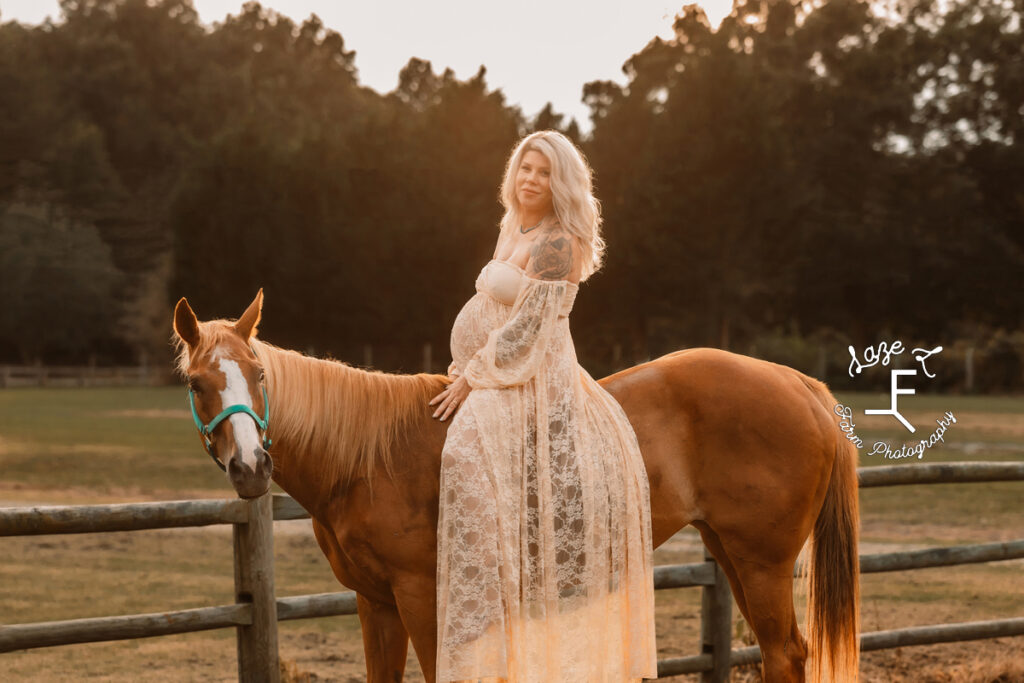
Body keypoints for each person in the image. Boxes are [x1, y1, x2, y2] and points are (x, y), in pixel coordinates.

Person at [429, 130, 657, 682]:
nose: (531, 178)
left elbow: (531, 328)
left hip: (529, 375)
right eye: (525, 167)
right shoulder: (515, 227)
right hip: (490, 368)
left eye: (544, 172)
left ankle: (486, 588)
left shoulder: (559, 243)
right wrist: (467, 363)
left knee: (461, 450)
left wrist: (476, 376)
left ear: (564, 183)